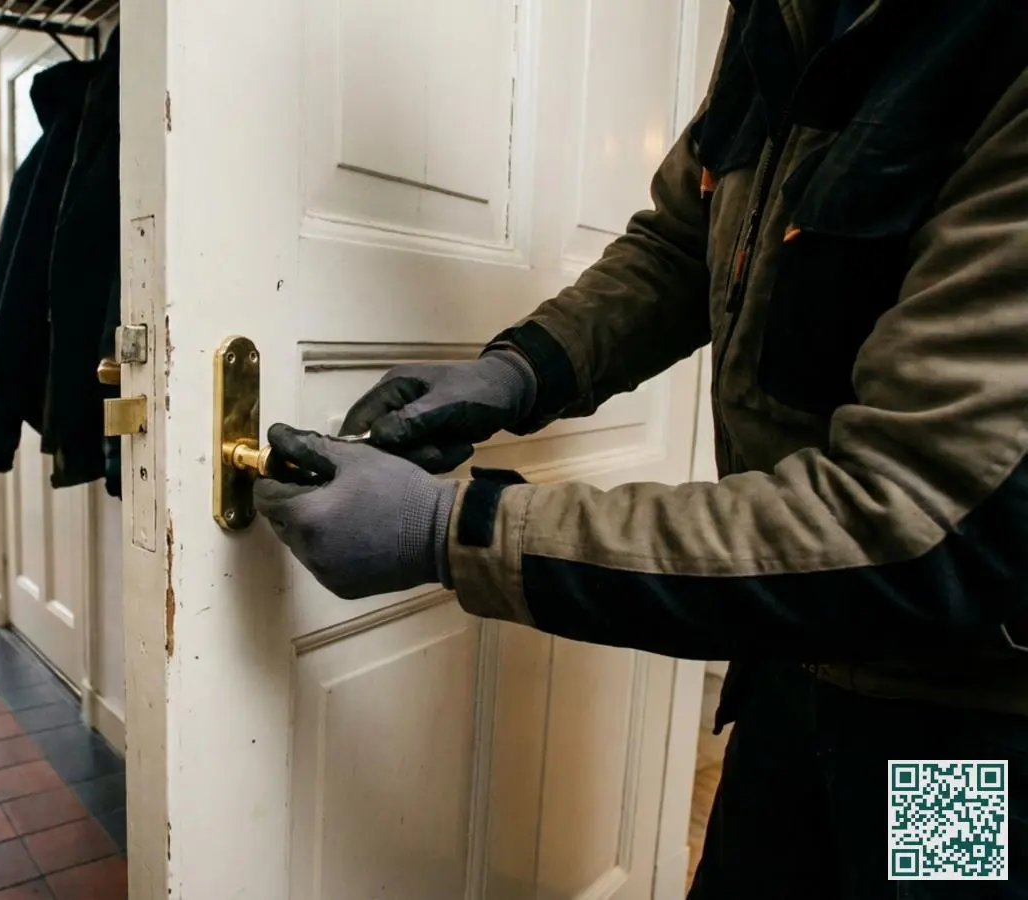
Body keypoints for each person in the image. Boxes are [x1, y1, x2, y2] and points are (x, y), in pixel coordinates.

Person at [252, 1, 1028, 897]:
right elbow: (683, 241)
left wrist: (450, 527)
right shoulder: (779, 16)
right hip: (794, 668)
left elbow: (918, 518)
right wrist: (520, 370)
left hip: (959, 731)